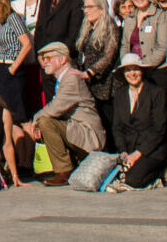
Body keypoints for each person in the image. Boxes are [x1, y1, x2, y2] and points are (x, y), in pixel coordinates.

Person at [18, 42, 104, 184]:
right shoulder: (63, 79)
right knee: (45, 121)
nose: (45, 63)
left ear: (62, 59)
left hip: (88, 134)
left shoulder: (71, 79)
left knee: (46, 122)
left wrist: (36, 119)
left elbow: (55, 108)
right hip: (74, 128)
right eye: (43, 59)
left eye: (48, 58)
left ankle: (63, 171)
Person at [107, 60, 167, 190]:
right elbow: (117, 127)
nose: (132, 74)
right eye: (128, 70)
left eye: (136, 69)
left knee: (132, 179)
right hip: (129, 147)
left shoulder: (156, 92)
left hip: (151, 149)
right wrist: (124, 151)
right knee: (111, 174)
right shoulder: (120, 93)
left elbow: (159, 129)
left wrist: (137, 154)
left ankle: (160, 174)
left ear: (142, 71)